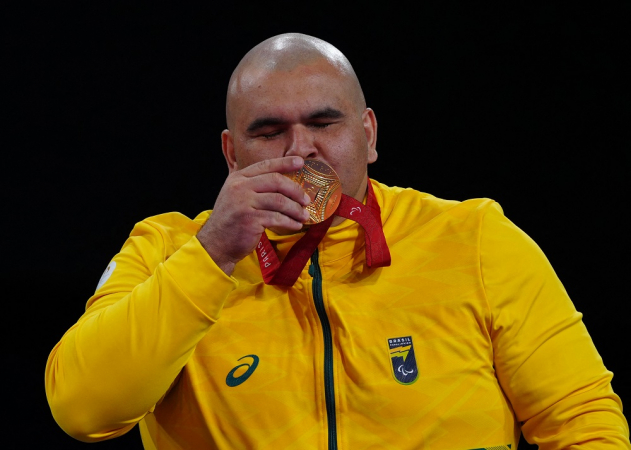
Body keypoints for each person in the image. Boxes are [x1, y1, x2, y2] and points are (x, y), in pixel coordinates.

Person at [46, 33, 630, 449]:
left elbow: (583, 422)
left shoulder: (476, 239)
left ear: (368, 134)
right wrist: (213, 254)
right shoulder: (166, 249)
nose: (301, 151)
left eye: (325, 124)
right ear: (231, 154)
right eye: (269, 131)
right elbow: (82, 409)